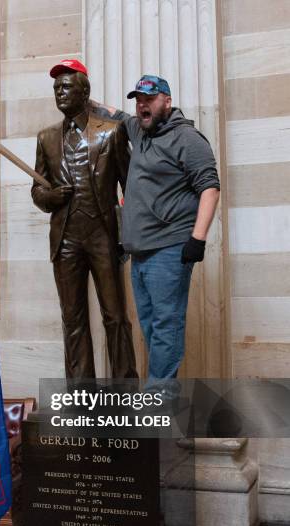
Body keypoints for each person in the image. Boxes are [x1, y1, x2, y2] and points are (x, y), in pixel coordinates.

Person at [92, 75, 220, 383]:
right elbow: (114, 115)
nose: (141, 105)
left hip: (170, 249)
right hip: (141, 252)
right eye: (138, 100)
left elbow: (210, 188)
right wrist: (83, 97)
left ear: (167, 101)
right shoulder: (140, 130)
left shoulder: (187, 138)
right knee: (151, 327)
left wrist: (197, 239)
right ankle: (167, 414)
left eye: (149, 99)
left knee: (166, 328)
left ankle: (157, 411)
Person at [31, 59, 137, 380]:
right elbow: (37, 189)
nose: (59, 93)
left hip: (103, 237)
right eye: (56, 89)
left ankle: (126, 391)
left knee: (115, 317)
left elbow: (131, 187)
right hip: (65, 241)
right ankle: (81, 395)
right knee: (73, 320)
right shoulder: (46, 138)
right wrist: (49, 197)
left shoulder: (112, 133)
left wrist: (129, 235)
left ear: (84, 90)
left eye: (66, 87)